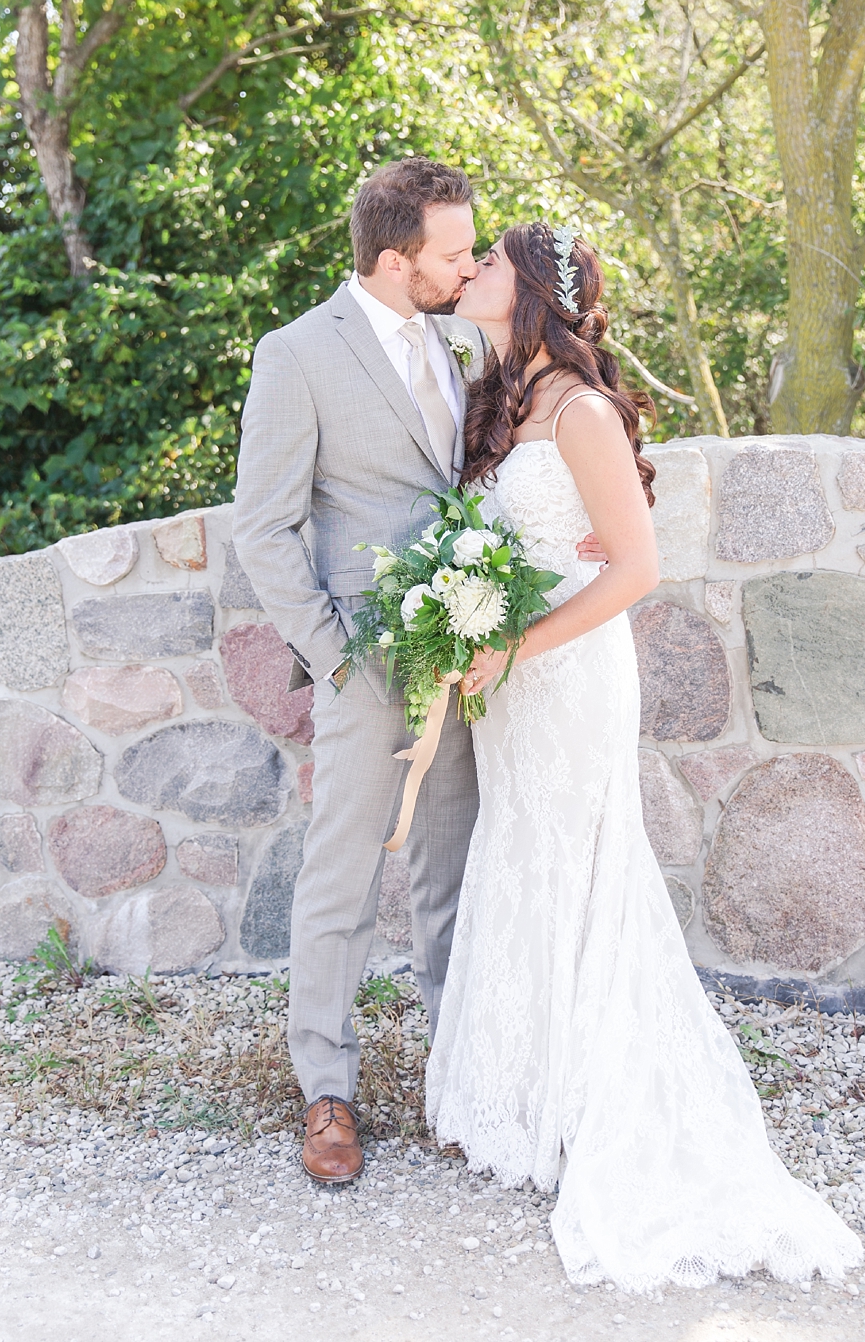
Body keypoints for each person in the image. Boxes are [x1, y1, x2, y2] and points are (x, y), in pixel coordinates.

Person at [421, 223, 863, 1290]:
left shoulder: (575, 408)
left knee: (579, 862)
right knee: (523, 853)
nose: (468, 271)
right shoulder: (502, 399)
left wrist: (513, 645)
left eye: (486, 263)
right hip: (515, 682)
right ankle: (529, 1096)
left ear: (529, 290)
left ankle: (594, 1103)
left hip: (566, 674)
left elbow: (635, 569)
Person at [235, 158, 502, 1185]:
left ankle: (457, 1075)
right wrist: (338, 661)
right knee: (340, 881)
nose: (470, 265)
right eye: (454, 252)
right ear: (397, 261)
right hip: (366, 666)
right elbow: (266, 528)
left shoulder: (467, 343)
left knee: (454, 873)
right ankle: (326, 1092)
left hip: (465, 658)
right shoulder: (296, 354)